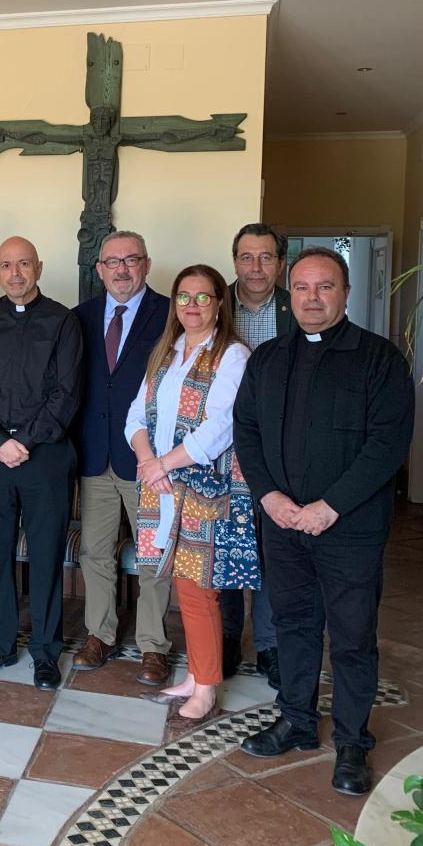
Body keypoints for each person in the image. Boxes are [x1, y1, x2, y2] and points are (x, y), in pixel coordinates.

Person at [235, 247, 414, 795]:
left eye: (325, 287)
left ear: (345, 291)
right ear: (291, 293)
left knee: (354, 636)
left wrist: (328, 507)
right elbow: (247, 431)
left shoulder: (379, 359)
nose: (312, 298)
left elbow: (387, 445)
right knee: (293, 625)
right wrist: (268, 497)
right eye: (304, 288)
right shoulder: (267, 358)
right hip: (282, 522)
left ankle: (354, 743)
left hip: (350, 528)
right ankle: (296, 720)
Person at [126, 265, 258, 721]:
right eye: (184, 297)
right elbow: (135, 418)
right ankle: (197, 676)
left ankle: (207, 689)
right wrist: (149, 463)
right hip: (161, 487)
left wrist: (161, 464)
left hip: (205, 490)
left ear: (221, 302)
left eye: (203, 297)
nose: (193, 306)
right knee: (185, 587)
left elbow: (219, 430)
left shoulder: (232, 356)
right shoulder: (167, 351)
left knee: (202, 589)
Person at [0, 237, 82, 690]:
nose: (16, 274)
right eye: (7, 266)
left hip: (44, 455)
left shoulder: (62, 321)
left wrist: (23, 441)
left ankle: (46, 652)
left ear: (39, 267)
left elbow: (65, 395)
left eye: (24, 264)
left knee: (47, 555)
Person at [72, 231, 172, 685]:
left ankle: (153, 645)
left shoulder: (171, 314)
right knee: (95, 552)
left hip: (148, 460)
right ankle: (100, 634)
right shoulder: (81, 317)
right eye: (113, 262)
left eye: (131, 260)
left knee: (153, 555)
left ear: (146, 265)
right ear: (99, 270)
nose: (122, 269)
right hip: (95, 455)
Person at [221, 221, 297, 684]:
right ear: (234, 262)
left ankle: (269, 644)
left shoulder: (296, 311)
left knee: (273, 548)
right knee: (227, 547)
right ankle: (229, 638)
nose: (255, 267)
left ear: (280, 264)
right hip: (220, 449)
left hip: (281, 448)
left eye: (266, 257)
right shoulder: (212, 304)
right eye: (247, 257)